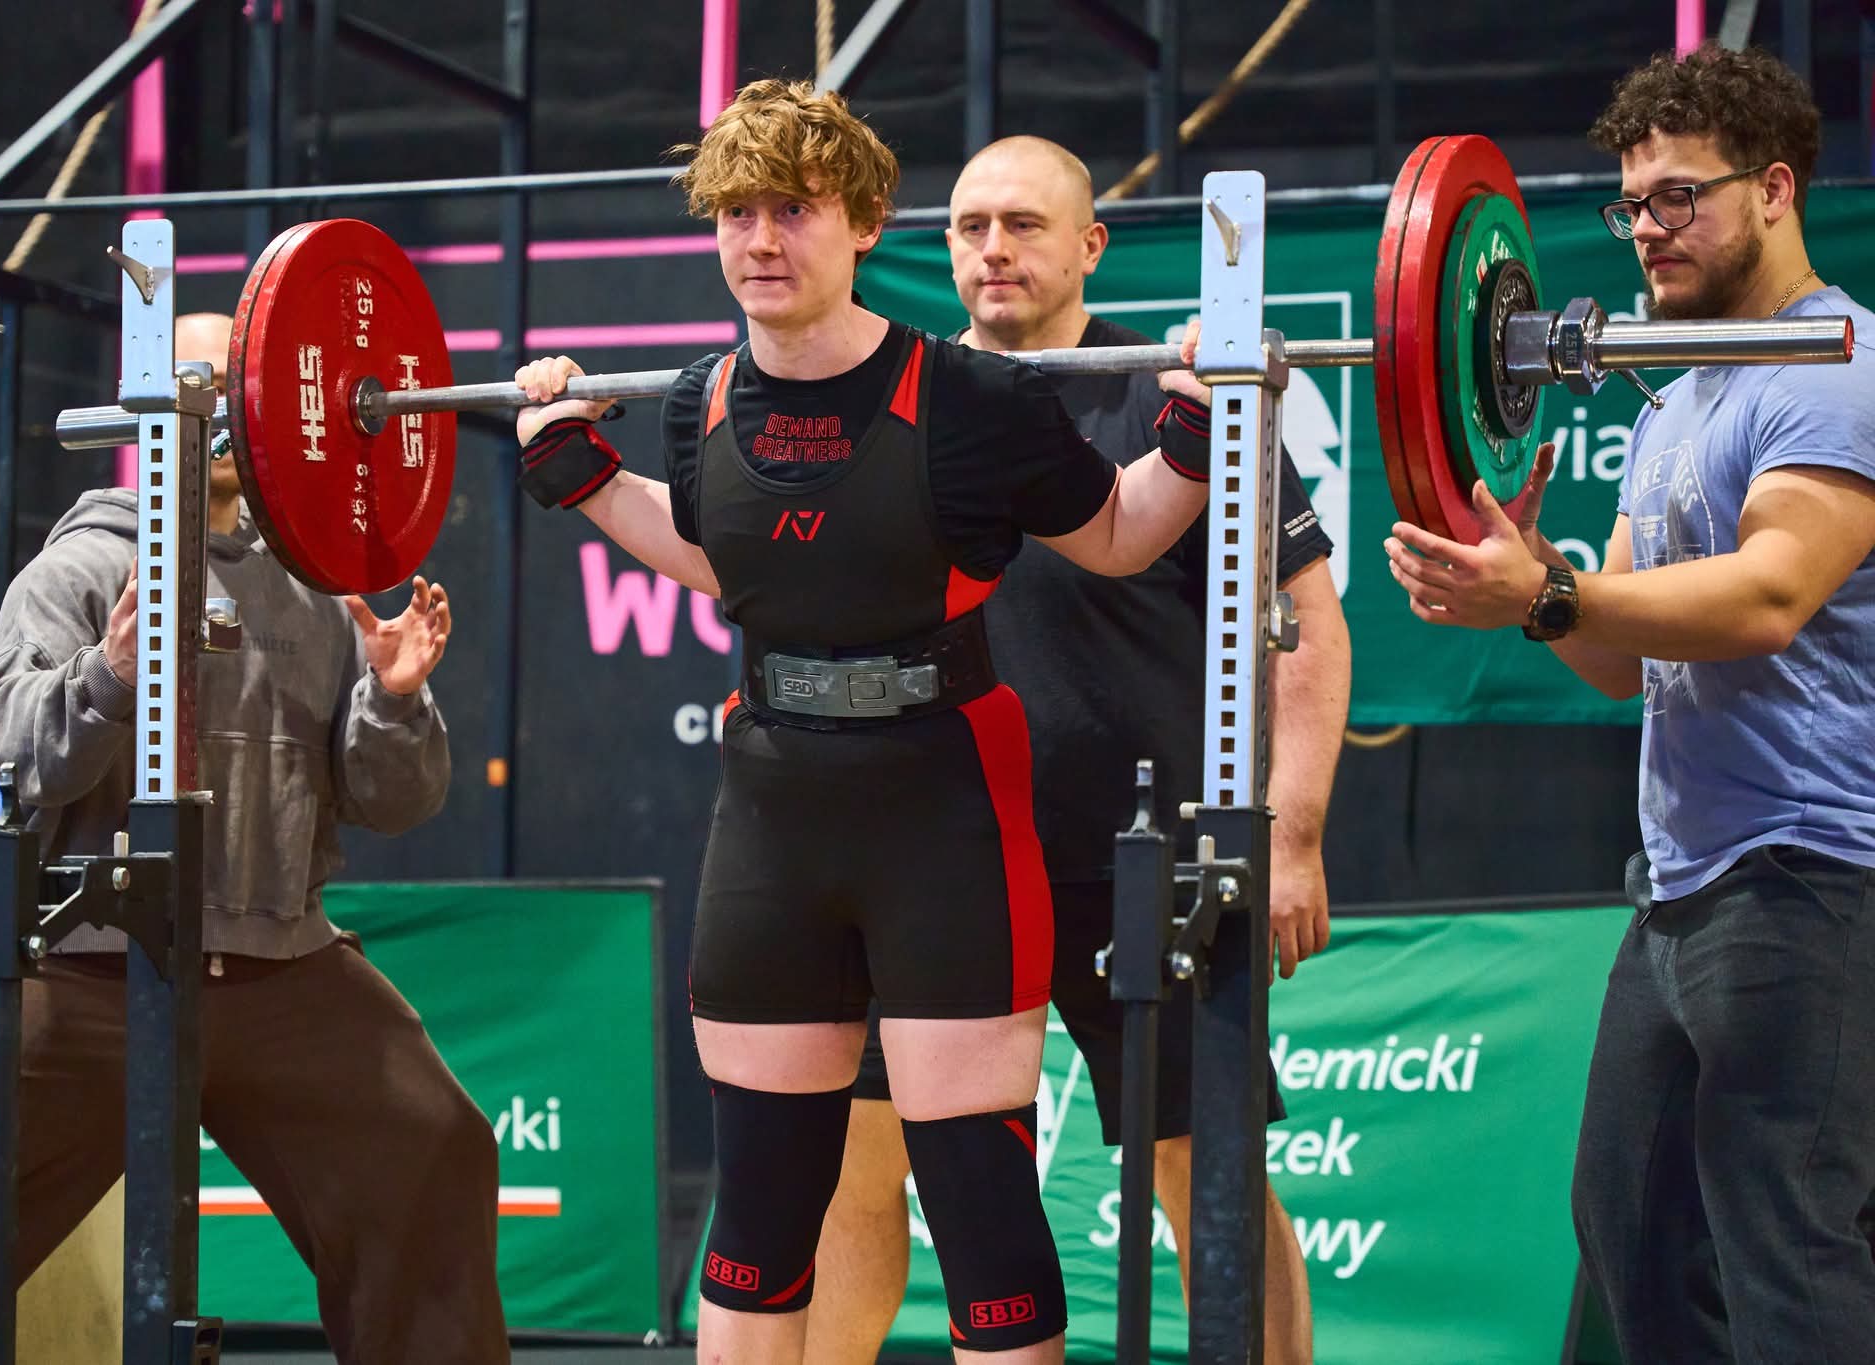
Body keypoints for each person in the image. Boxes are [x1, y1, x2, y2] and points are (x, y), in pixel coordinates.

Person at [512, 81, 1214, 1360]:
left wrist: (1195, 424)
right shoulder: (696, 402)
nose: (759, 240)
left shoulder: (972, 398)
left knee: (982, 1215)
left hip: (944, 816)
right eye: (735, 213)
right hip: (772, 821)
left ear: (864, 224)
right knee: (757, 1223)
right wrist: (589, 482)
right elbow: (735, 565)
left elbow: (1117, 534)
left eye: (792, 209)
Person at [0, 315, 508, 1365]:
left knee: (433, 1146)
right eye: (198, 380)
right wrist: (108, 673)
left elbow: (392, 801)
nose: (223, 404)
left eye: (243, 380)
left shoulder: (317, 590)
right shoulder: (78, 571)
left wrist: (393, 700)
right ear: (141, 407)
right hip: (92, 968)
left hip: (281, 968)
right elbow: (7, 756)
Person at [802, 135, 1346, 1365]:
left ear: (1090, 245)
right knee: (856, 1160)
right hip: (936, 862)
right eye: (969, 227)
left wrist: (1295, 830)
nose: (992, 250)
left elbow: (1305, 623)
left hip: (1142, 864)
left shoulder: (1180, 397)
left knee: (1200, 1168)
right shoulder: (905, 400)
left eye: (1024, 225)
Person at [1382, 44, 1875, 1364]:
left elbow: (1768, 596)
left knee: (1786, 1249)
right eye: (1629, 204)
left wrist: (1551, 593)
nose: (1647, 227)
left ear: (1773, 189)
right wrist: (1529, 585)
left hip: (1815, 875)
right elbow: (1620, 659)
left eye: (1677, 197)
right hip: (1678, 885)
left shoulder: (1831, 366)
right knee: (1630, 1233)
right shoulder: (1669, 411)